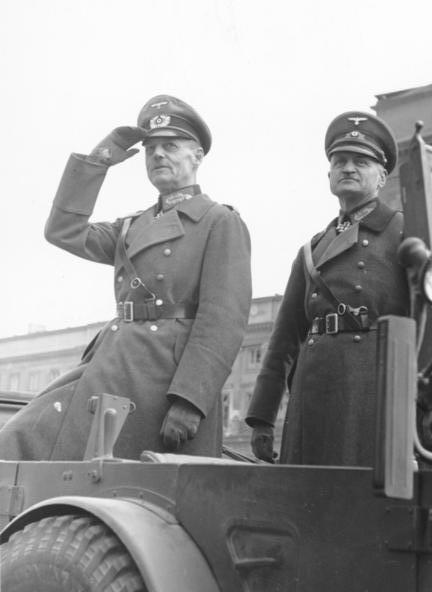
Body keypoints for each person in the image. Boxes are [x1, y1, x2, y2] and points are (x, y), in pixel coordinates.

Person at [0, 95, 252, 460]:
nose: (158, 155)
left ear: (197, 156)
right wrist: (99, 161)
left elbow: (223, 320)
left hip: (163, 383)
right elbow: (63, 230)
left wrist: (190, 402)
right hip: (111, 366)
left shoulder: (219, 221)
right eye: (151, 149)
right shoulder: (133, 226)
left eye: (170, 146)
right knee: (20, 439)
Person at [246, 111, 409, 466]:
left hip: (373, 391)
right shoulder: (312, 250)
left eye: (361, 162)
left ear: (382, 177)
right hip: (313, 393)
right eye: (341, 161)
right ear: (329, 174)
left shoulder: (405, 232)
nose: (348, 168)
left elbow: (428, 323)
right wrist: (262, 417)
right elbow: (284, 340)